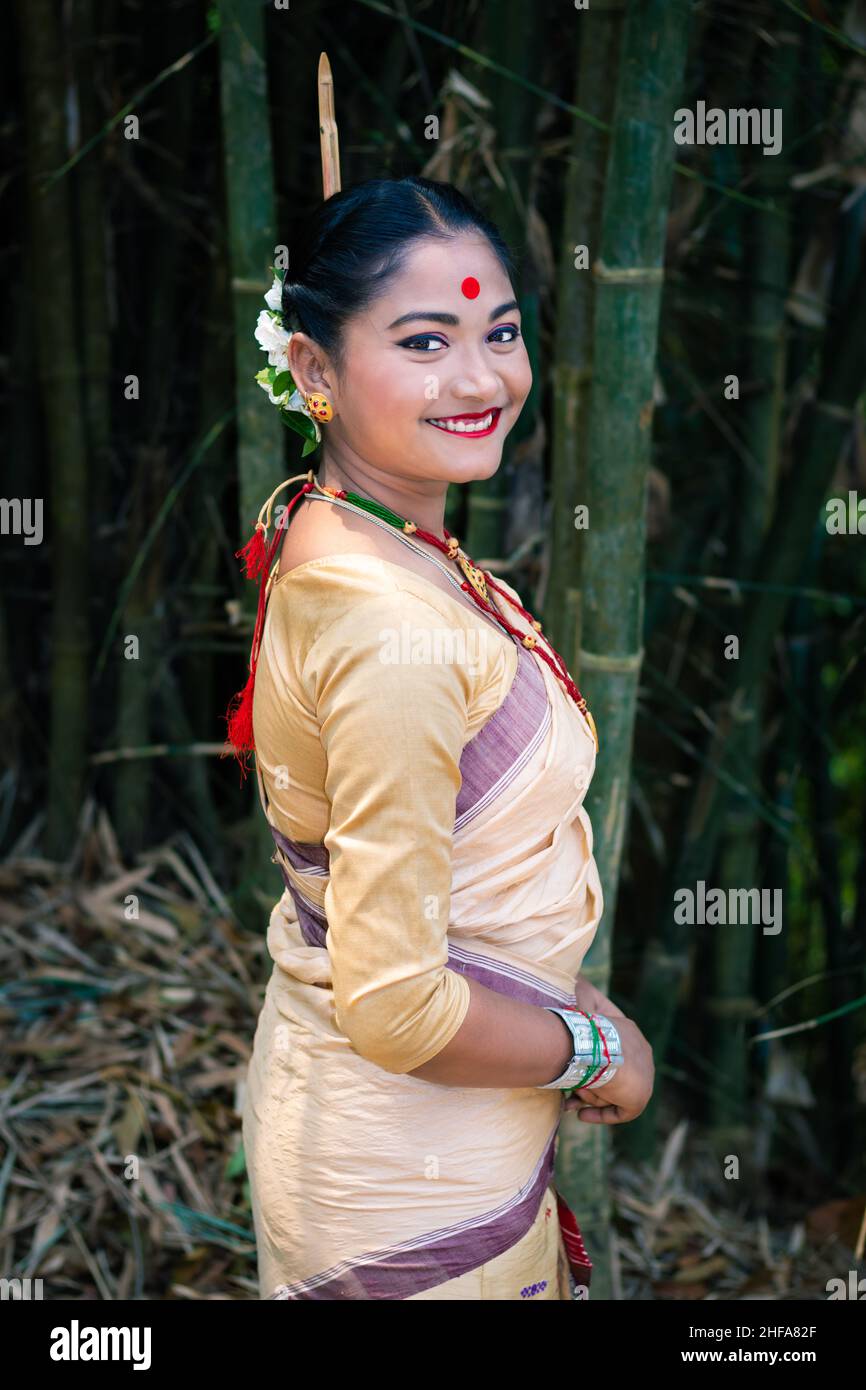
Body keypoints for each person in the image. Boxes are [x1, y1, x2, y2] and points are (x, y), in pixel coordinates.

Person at [234, 175, 655, 1300]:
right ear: (313, 371)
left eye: (500, 331)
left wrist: (574, 1010)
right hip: (406, 1185)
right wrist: (599, 1048)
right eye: (425, 341)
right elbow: (397, 1005)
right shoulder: (384, 628)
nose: (480, 379)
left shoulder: (361, 531)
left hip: (429, 1137)